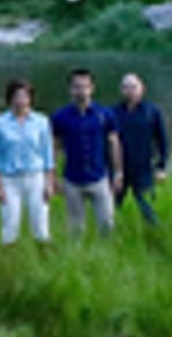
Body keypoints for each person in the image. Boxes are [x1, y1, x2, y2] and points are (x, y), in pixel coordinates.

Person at [51, 69, 123, 238]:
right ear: (70, 89)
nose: (81, 91)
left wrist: (119, 172)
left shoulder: (104, 115)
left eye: (84, 87)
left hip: (99, 177)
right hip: (72, 179)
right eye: (76, 87)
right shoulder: (60, 117)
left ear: (92, 89)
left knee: (107, 224)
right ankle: (77, 259)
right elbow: (54, 148)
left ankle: (106, 257)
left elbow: (115, 144)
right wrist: (53, 177)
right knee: (75, 229)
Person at [0, 79, 56, 246]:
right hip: (9, 179)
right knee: (10, 223)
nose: (21, 100)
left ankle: (43, 257)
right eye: (17, 96)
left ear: (31, 98)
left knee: (40, 222)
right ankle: (8, 258)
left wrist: (49, 183)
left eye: (25, 96)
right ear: (10, 98)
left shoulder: (41, 121)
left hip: (35, 177)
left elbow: (48, 154)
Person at [111, 73, 169, 227]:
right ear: (121, 90)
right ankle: (107, 237)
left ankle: (154, 234)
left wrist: (162, 166)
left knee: (147, 206)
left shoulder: (152, 112)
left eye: (133, 87)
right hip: (119, 169)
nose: (129, 91)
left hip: (144, 167)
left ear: (142, 89)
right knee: (111, 207)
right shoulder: (113, 113)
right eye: (125, 87)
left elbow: (162, 140)